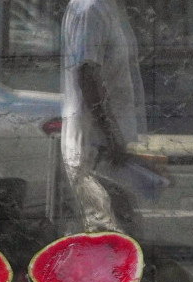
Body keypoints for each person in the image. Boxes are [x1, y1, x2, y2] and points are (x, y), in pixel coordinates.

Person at [59, 0, 149, 234]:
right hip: (98, 145)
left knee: (120, 231)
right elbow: (87, 75)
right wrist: (111, 135)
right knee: (106, 234)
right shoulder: (91, 9)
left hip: (109, 145)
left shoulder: (111, 8)